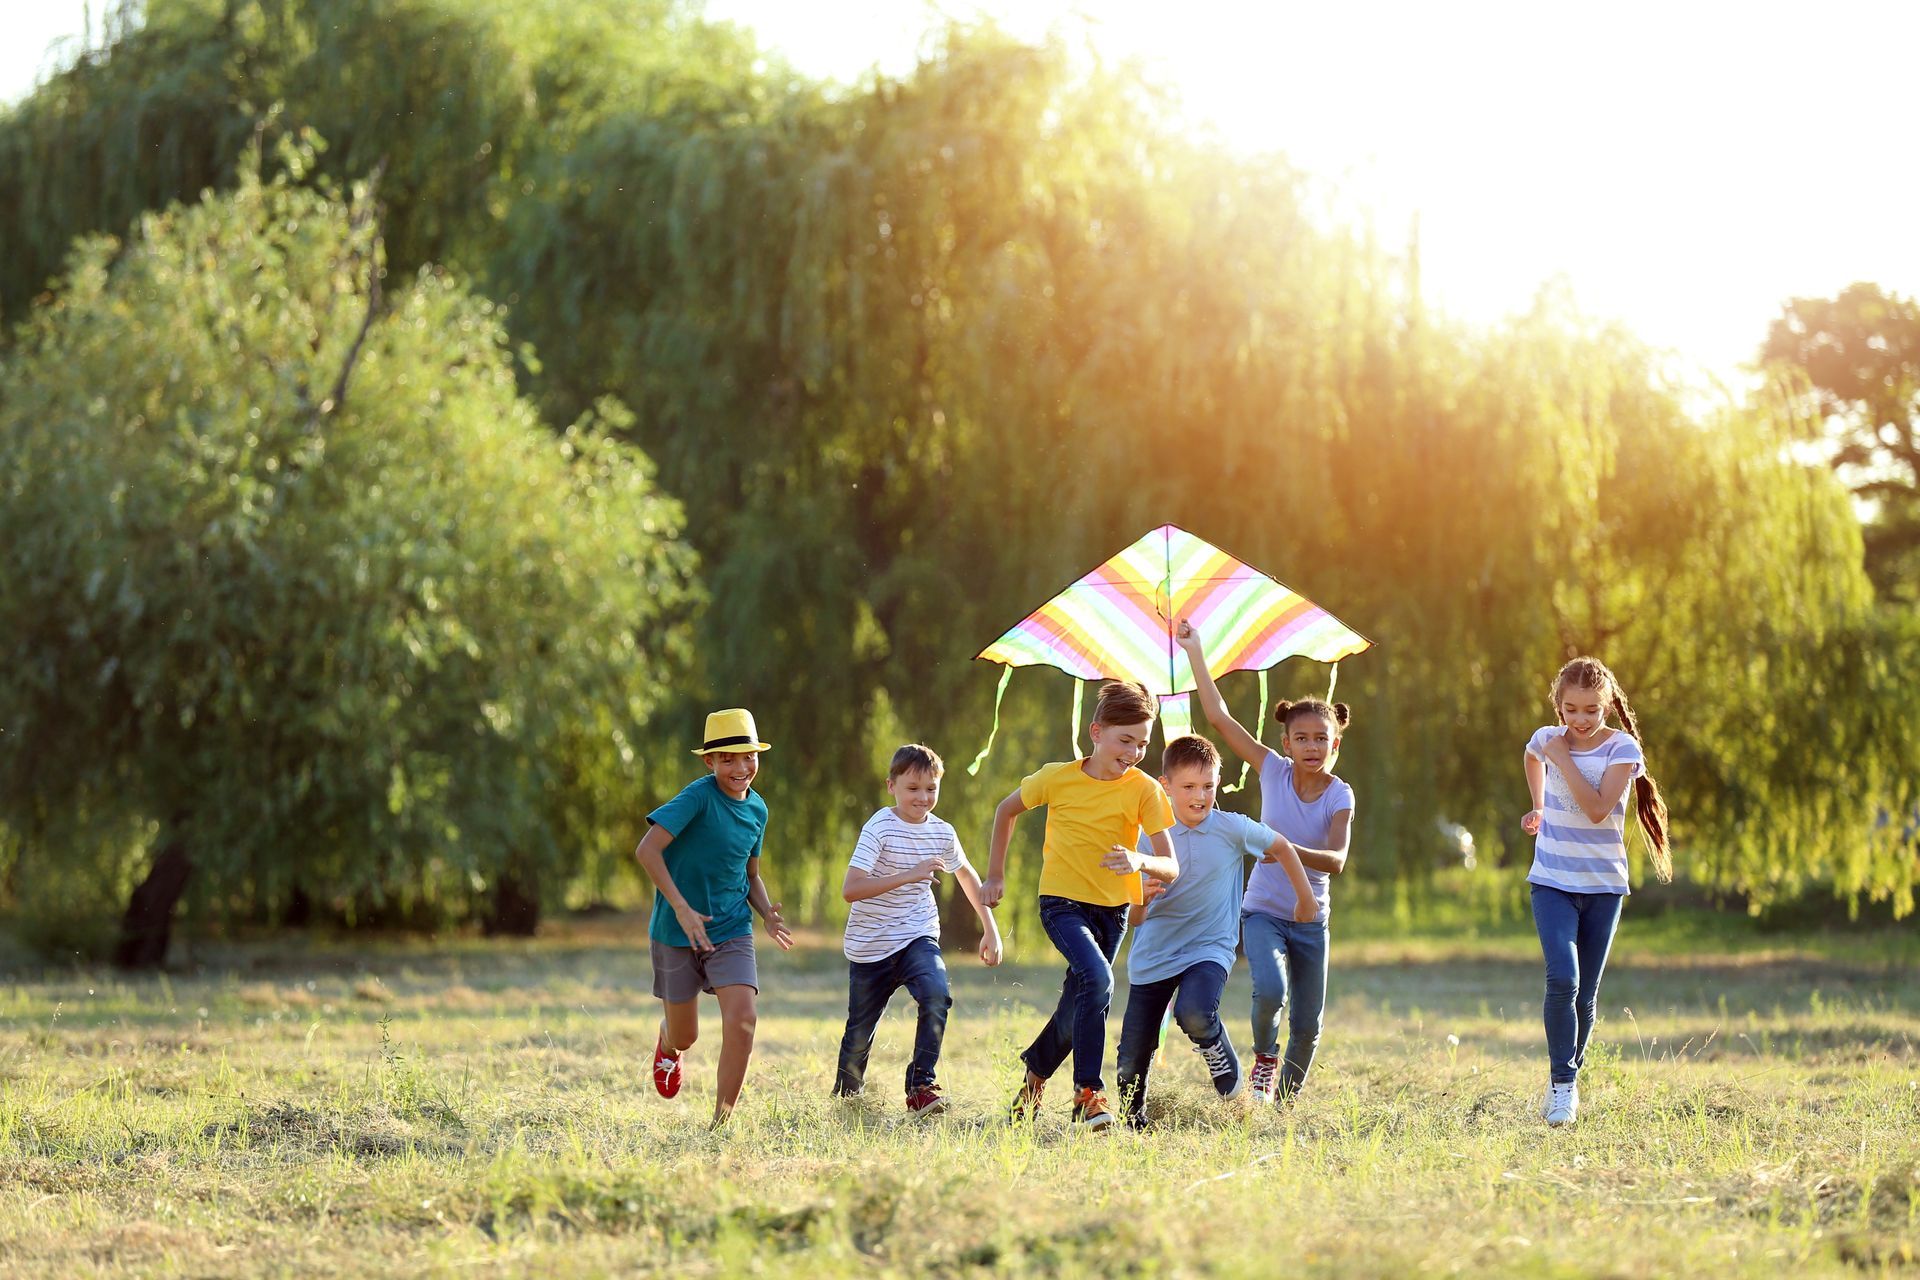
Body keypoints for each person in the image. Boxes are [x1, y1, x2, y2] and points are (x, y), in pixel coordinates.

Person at [981, 680, 1178, 1131]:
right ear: (1096, 732)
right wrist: (995, 874)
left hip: (1113, 913)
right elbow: (1005, 811)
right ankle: (1087, 1094)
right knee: (1098, 979)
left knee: (1081, 1001)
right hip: (1061, 904)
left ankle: (1031, 1084)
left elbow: (1171, 866)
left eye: (1143, 743)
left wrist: (1139, 859)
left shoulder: (1145, 789)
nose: (1133, 751)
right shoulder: (1057, 776)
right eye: (1124, 739)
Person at [1178, 620, 1353, 1103]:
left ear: (1335, 743)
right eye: (1302, 738)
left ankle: (1284, 1105)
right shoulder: (1272, 772)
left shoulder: (1340, 796)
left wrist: (1279, 847)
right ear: (1286, 744)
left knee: (1308, 1022)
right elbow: (1218, 717)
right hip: (1262, 911)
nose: (1312, 747)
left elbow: (1336, 860)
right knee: (1270, 991)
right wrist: (1196, 650)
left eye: (1322, 738)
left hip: (1311, 917)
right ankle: (1263, 1059)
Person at [1114, 734, 1317, 1129]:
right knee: (1131, 1056)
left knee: (1195, 1012)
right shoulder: (1146, 838)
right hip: (1153, 955)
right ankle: (1131, 1122)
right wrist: (1142, 900)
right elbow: (1134, 919)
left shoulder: (1231, 828)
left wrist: (1305, 899)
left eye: (1208, 786)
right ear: (1164, 786)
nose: (1200, 796)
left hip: (1210, 948)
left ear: (1218, 783)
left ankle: (1223, 1065)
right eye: (1188, 787)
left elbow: (1284, 847)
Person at [1521, 656, 1672, 1127]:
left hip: (1603, 886)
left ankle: (1567, 1075)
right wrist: (1538, 806)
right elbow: (1531, 754)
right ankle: (1563, 1086)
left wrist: (1561, 759)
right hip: (1551, 881)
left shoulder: (1622, 749)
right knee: (1562, 979)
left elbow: (1596, 809)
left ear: (1607, 705)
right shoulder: (1546, 739)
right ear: (1558, 705)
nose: (1580, 720)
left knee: (1585, 994)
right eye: (1571, 709)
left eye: (1591, 710)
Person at [632, 708, 794, 1126]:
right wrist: (681, 908)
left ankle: (720, 1123)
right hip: (676, 930)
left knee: (743, 1021)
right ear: (709, 761)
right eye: (728, 759)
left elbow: (750, 874)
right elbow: (647, 850)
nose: (741, 768)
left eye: (748, 757)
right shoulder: (698, 798)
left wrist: (767, 915)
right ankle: (668, 1045)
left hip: (731, 928)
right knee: (687, 1035)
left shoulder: (758, 810)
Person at [834, 744, 1004, 1114]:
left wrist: (989, 927)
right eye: (913, 788)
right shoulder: (879, 827)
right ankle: (847, 1102)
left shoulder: (942, 832)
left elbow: (966, 874)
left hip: (917, 935)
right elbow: (851, 888)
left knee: (936, 994)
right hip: (871, 946)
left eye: (931, 788)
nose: (923, 797)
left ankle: (921, 1086)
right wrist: (909, 875)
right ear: (891, 786)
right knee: (858, 1037)